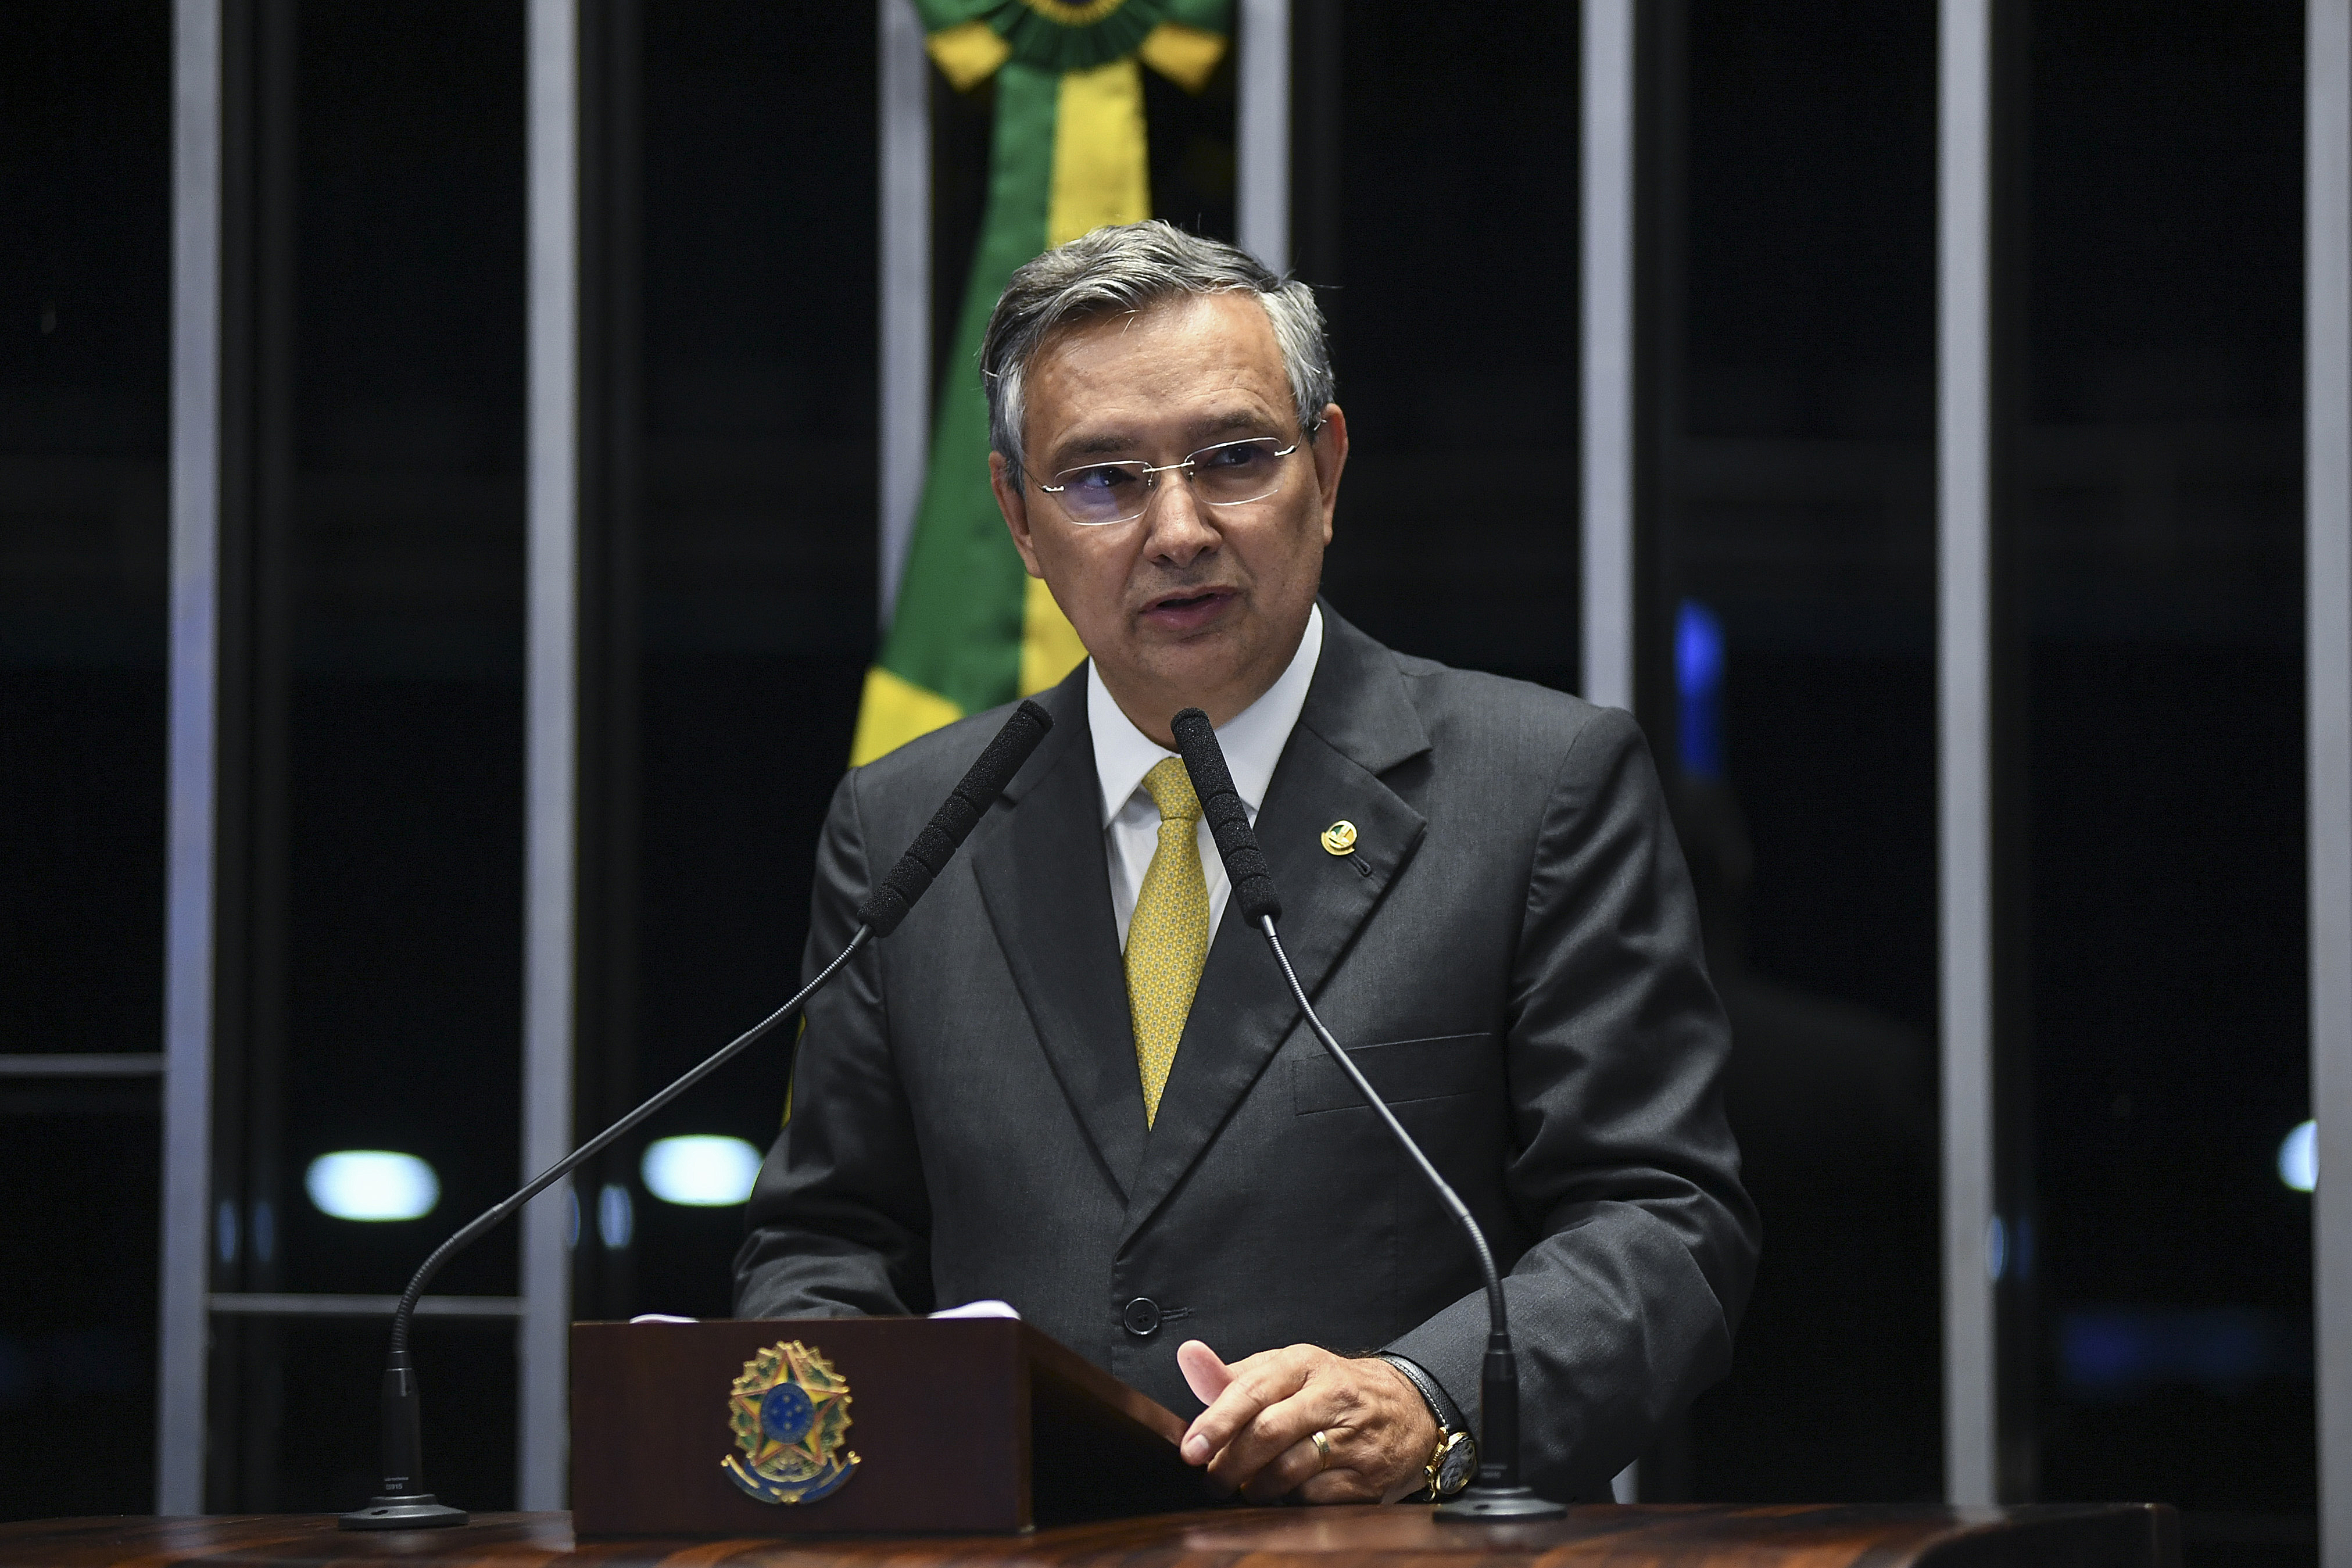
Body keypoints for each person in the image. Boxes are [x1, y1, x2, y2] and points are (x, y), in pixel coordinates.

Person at [735, 221, 1757, 1506]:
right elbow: (830, 1236)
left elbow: (1661, 1224)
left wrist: (1425, 1394)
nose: (1176, 528)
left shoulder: (1536, 783)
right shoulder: (910, 822)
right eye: (1100, 478)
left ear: (1324, 470)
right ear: (1017, 517)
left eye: (1231, 458)